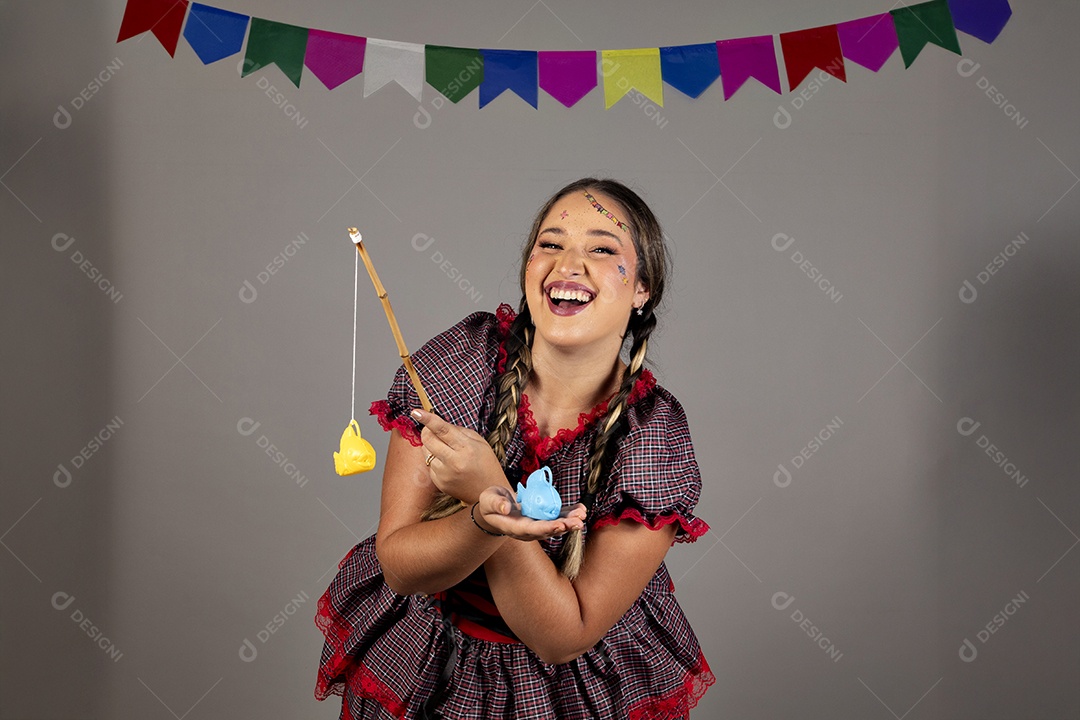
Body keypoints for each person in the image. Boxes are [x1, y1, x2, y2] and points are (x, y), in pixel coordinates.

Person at [315, 178, 714, 719]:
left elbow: (562, 636)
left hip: (564, 694)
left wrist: (489, 491)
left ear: (643, 287)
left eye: (602, 248)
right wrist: (484, 518)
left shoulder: (652, 435)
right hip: (430, 666)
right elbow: (401, 567)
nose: (568, 265)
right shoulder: (466, 361)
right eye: (551, 244)